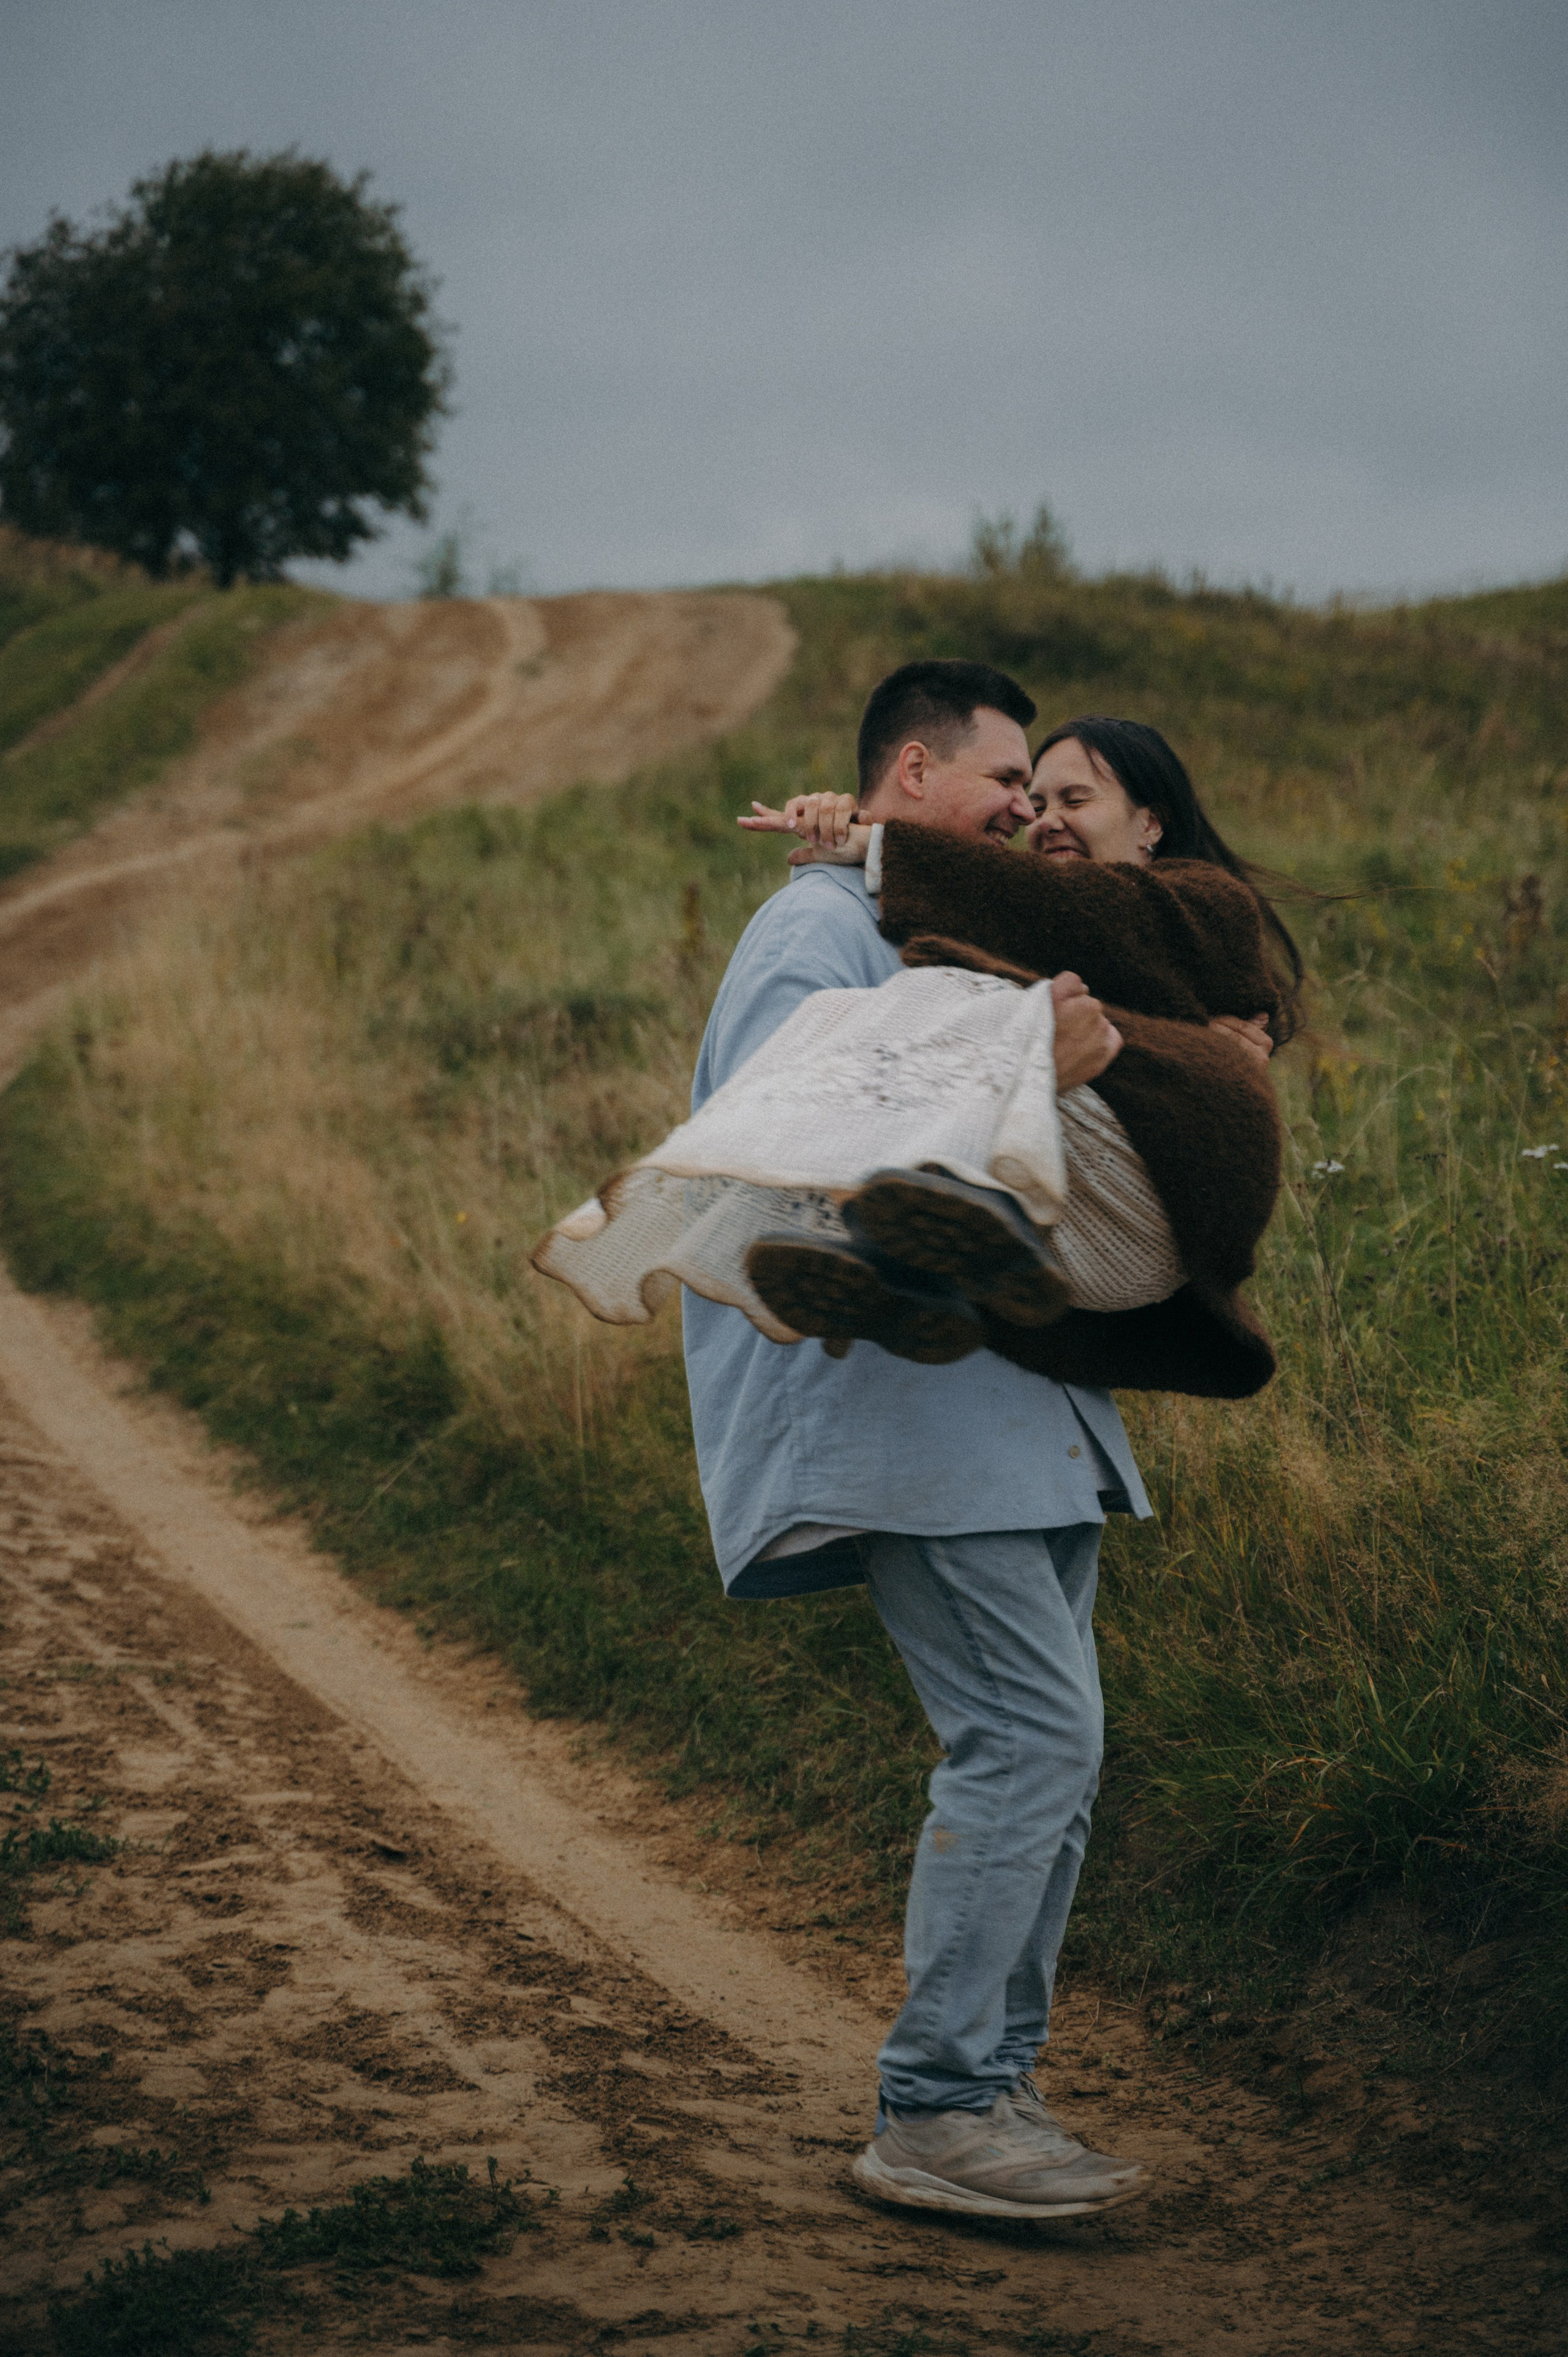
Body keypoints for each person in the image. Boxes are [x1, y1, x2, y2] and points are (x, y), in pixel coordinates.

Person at [680, 660, 1158, 2220]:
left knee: (1055, 1759)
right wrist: (1029, 1062)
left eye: (1035, 790)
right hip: (900, 1414)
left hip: (1019, 1415)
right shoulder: (812, 925)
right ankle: (936, 2105)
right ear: (908, 769)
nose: (1023, 807)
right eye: (1002, 779)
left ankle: (990, 2086)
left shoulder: (940, 919)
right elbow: (788, 1129)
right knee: (1028, 1739)